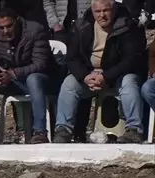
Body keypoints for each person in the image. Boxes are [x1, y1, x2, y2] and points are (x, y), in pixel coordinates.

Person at [51, 0, 146, 143]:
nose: (102, 15)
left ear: (114, 10)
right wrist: (85, 76)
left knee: (129, 82)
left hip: (118, 75)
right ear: (93, 12)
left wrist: (106, 76)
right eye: (98, 12)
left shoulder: (129, 26)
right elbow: (72, 58)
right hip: (90, 75)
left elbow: (131, 59)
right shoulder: (82, 26)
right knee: (69, 83)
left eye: (106, 10)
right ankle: (63, 130)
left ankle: (134, 129)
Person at [0, 6, 52, 144]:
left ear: (17, 21)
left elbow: (40, 64)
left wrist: (13, 73)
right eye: (1, 28)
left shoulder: (35, 30)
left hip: (40, 80)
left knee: (33, 79)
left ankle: (40, 131)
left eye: (9, 26)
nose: (5, 31)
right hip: (12, 80)